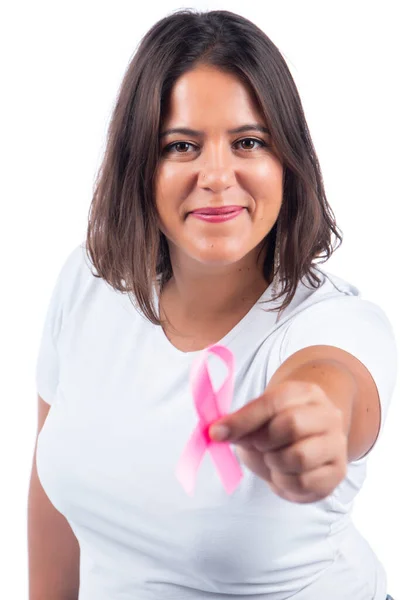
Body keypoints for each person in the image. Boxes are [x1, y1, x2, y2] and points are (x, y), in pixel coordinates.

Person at [29, 8, 397, 600]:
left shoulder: (337, 323)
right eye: (182, 145)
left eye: (249, 142)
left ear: (288, 165)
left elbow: (334, 388)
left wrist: (315, 424)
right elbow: (50, 497)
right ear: (139, 167)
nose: (218, 175)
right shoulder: (89, 282)